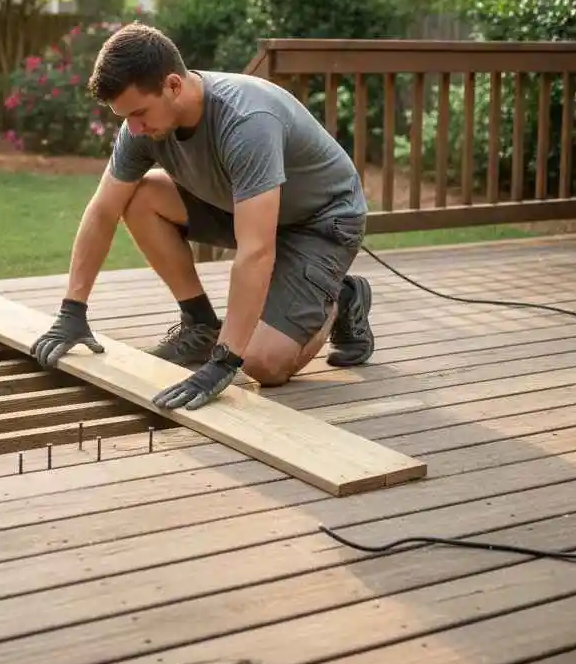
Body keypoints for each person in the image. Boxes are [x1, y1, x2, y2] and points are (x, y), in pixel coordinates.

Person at [29, 22, 374, 412]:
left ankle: (340, 297)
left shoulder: (246, 122)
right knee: (139, 197)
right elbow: (103, 210)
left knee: (262, 364)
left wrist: (224, 360)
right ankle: (200, 322)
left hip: (320, 222)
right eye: (126, 118)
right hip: (242, 206)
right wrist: (72, 310)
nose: (135, 128)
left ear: (173, 85)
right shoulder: (140, 127)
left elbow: (256, 251)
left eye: (140, 113)